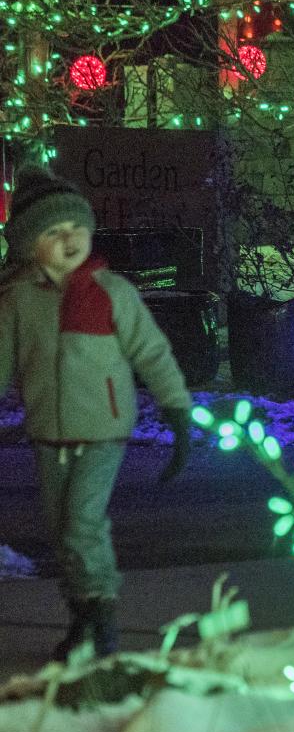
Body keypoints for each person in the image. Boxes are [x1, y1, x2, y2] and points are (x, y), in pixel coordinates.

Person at [0, 166, 193, 661]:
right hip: (47, 432)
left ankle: (104, 617)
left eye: (75, 228)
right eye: (52, 232)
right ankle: (81, 617)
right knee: (60, 530)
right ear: (27, 244)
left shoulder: (112, 292)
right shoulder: (19, 298)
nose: (69, 240)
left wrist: (176, 408)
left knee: (83, 524)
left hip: (103, 429)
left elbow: (151, 352)